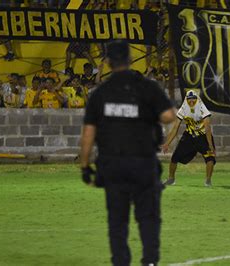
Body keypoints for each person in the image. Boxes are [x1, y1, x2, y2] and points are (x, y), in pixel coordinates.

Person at [80, 40, 175, 266]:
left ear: (109, 62)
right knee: (148, 218)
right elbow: (169, 116)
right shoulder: (147, 88)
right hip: (143, 163)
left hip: (112, 165)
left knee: (117, 221)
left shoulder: (100, 93)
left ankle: (120, 262)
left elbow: (88, 136)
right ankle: (150, 261)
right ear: (130, 60)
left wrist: (85, 166)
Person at [162, 90, 216, 187]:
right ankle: (171, 179)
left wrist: (210, 144)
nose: (191, 102)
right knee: (175, 157)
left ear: (197, 99)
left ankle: (208, 181)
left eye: (193, 99)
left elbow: (207, 128)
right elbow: (175, 128)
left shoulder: (202, 109)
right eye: (189, 99)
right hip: (189, 136)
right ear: (186, 100)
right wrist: (167, 143)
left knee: (210, 157)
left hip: (203, 136)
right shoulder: (183, 109)